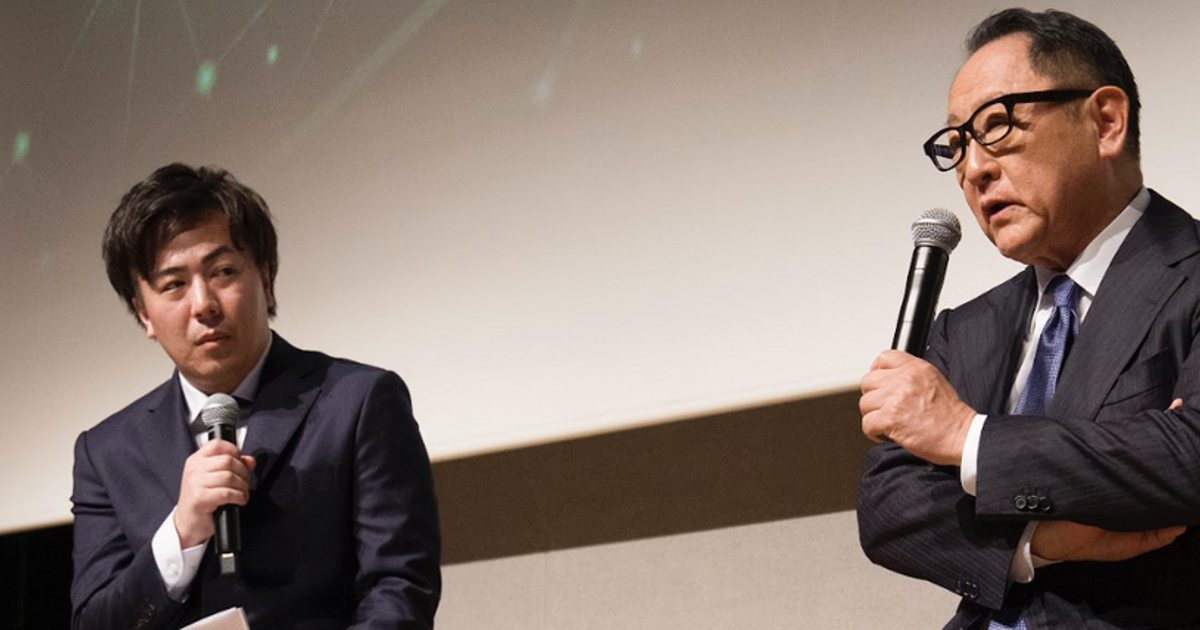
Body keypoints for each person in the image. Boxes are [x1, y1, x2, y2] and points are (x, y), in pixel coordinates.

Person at [858, 8, 1200, 629]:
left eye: (996, 126)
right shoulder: (966, 329)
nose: (973, 169)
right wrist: (1038, 542)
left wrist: (967, 438)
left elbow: (1189, 453)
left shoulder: (1192, 275)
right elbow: (890, 504)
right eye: (957, 146)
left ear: (1106, 122)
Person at [71, 163, 441, 629]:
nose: (203, 304)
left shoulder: (359, 401)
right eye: (174, 285)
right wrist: (182, 531)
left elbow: (400, 585)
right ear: (143, 313)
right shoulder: (106, 452)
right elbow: (95, 622)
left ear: (266, 280)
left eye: (223, 271)